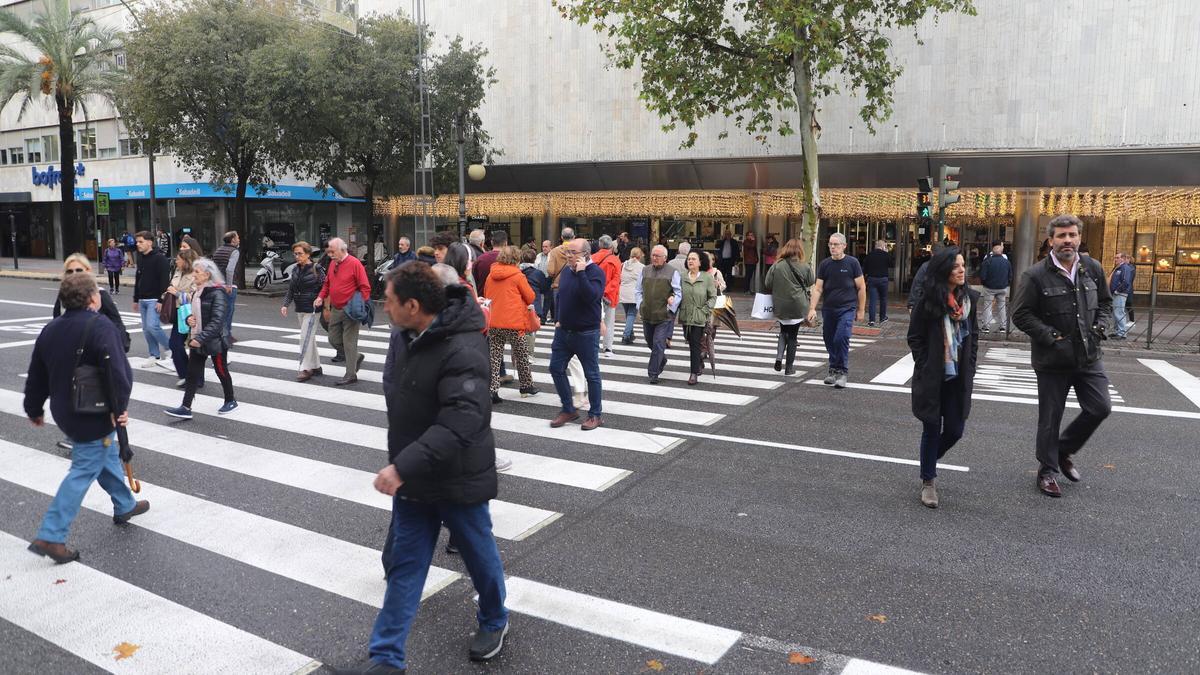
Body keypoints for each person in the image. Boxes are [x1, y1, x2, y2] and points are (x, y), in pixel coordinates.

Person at [339, 263, 508, 675]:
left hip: (457, 476)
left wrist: (402, 466)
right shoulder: (406, 334)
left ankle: (494, 618)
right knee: (406, 568)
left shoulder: (464, 347)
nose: (384, 307)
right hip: (414, 475)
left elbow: (462, 420)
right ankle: (386, 658)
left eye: (390, 301)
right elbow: (395, 386)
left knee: (479, 557)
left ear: (413, 305)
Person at [24, 273, 150, 564]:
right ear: (93, 298)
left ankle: (124, 504)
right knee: (84, 468)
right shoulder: (101, 326)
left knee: (101, 456)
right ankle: (52, 535)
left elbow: (37, 374)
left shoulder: (51, 329)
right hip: (93, 411)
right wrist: (119, 409)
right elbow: (119, 374)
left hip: (65, 411)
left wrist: (34, 408)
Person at [1012, 214, 1113, 498]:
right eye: (1061, 236)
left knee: (1100, 407)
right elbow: (1020, 314)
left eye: (1072, 235)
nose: (1067, 240)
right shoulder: (1035, 275)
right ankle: (1047, 472)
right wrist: (1051, 337)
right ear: (1051, 240)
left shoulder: (1092, 268)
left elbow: (1105, 303)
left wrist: (1101, 327)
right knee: (1050, 418)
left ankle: (1063, 449)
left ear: (1079, 238)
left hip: (1089, 355)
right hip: (1052, 360)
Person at [907, 247, 979, 509]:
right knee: (931, 427)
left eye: (963, 266)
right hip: (934, 376)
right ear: (943, 270)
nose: (962, 270)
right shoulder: (928, 301)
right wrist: (926, 364)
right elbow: (914, 337)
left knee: (955, 430)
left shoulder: (969, 300)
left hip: (959, 377)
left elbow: (975, 337)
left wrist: (970, 366)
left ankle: (929, 461)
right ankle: (928, 481)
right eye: (956, 266)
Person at [163, 258, 238, 419]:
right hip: (199, 337)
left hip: (215, 339)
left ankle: (230, 400)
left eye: (197, 272)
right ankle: (185, 407)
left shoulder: (217, 293)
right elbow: (195, 313)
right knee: (192, 373)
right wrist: (190, 318)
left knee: (221, 370)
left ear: (207, 274)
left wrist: (200, 338)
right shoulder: (198, 291)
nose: (194, 275)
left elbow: (217, 321)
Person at [548, 239, 606, 430]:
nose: (569, 256)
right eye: (567, 252)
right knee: (556, 368)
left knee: (592, 374)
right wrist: (558, 318)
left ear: (586, 255)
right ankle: (568, 408)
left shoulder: (595, 272)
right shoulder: (565, 272)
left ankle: (595, 414)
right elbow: (561, 296)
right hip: (564, 330)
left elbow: (592, 297)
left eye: (573, 252)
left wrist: (581, 273)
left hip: (586, 332)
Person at [806, 233, 866, 389]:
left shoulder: (852, 263)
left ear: (844, 246)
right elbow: (818, 288)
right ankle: (833, 369)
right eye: (830, 244)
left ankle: (842, 372)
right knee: (829, 339)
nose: (832, 247)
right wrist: (812, 308)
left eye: (836, 244)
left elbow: (861, 287)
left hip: (847, 308)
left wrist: (861, 310)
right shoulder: (825, 264)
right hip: (829, 309)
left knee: (841, 337)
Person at [484, 246, 539, 403]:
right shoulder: (517, 276)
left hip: (494, 321)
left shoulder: (491, 275)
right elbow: (530, 297)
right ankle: (526, 385)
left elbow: (487, 294)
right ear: (517, 259)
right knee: (521, 354)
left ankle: (492, 390)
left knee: (494, 356)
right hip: (513, 322)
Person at [314, 237, 371, 386]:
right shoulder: (333, 263)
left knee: (349, 343)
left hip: (351, 309)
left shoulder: (354, 263)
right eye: (329, 252)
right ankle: (356, 357)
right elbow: (327, 284)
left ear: (342, 250)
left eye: (332, 251)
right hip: (336, 308)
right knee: (333, 339)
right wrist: (321, 297)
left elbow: (365, 287)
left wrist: (360, 305)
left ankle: (350, 374)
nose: (330, 254)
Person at [763, 239, 814, 375]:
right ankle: (789, 368)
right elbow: (811, 281)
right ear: (800, 250)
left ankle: (779, 357)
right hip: (798, 305)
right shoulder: (805, 266)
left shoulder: (777, 265)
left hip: (780, 304)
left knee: (783, 331)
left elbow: (767, 283)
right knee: (793, 336)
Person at [636, 245, 682, 384]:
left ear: (665, 258)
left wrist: (672, 304)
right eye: (653, 255)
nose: (654, 258)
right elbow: (638, 290)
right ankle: (662, 359)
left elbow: (678, 292)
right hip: (647, 313)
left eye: (657, 256)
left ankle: (653, 373)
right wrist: (640, 305)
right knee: (650, 342)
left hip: (664, 315)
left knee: (658, 343)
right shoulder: (645, 270)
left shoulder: (672, 272)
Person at [282, 241, 327, 381]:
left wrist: (320, 299)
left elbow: (326, 286)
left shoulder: (317, 268)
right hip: (300, 307)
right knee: (309, 337)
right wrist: (285, 304)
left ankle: (305, 368)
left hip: (313, 309)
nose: (297, 256)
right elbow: (291, 288)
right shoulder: (295, 268)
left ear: (308, 254)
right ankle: (316, 366)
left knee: (304, 337)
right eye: (295, 253)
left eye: (300, 253)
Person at [132, 230, 173, 369]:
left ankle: (170, 349)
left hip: (154, 299)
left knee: (153, 326)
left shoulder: (160, 258)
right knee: (146, 329)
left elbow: (164, 280)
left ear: (149, 242)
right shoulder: (141, 258)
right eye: (137, 242)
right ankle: (154, 355)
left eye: (141, 241)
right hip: (143, 299)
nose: (138, 244)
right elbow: (138, 278)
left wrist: (161, 300)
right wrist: (135, 298)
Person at [679, 250, 717, 386]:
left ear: (700, 262)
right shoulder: (682, 276)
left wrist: (705, 310)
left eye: (693, 259)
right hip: (685, 316)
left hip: (699, 317)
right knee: (690, 341)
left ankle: (693, 373)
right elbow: (677, 293)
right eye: (689, 259)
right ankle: (699, 361)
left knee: (694, 344)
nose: (690, 261)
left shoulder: (707, 278)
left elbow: (713, 297)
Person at [165, 249, 201, 388]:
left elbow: (195, 295)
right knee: (174, 344)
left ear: (186, 261)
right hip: (178, 313)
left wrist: (177, 293)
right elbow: (171, 287)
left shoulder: (195, 274)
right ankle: (187, 375)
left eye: (179, 259)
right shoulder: (177, 272)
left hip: (191, 313)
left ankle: (195, 378)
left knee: (195, 347)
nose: (176, 261)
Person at [592, 234, 622, 358]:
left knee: (593, 320)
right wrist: (606, 291)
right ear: (611, 246)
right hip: (610, 296)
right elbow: (616, 280)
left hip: (593, 293)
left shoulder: (592, 258)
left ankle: (593, 345)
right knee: (609, 322)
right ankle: (608, 348)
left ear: (599, 245)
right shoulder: (615, 260)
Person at [211, 231, 241, 342]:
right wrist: (229, 285)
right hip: (229, 285)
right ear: (233, 240)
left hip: (218, 283)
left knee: (220, 310)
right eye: (237, 237)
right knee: (229, 310)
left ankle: (219, 333)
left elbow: (213, 267)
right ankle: (226, 335)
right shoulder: (234, 251)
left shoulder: (218, 250)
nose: (239, 239)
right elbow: (230, 269)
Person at [978, 240, 1013, 333]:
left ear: (992, 249)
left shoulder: (987, 261)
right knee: (1002, 306)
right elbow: (1010, 276)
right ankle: (1003, 326)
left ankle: (986, 326)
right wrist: (1006, 283)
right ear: (1000, 250)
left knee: (988, 306)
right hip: (1002, 287)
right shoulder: (1006, 262)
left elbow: (982, 276)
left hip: (989, 287)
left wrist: (984, 283)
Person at [618, 247, 645, 345]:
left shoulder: (623, 265)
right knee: (631, 314)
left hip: (623, 292)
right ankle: (626, 335)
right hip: (634, 293)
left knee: (628, 315)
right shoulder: (642, 267)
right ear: (639, 256)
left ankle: (631, 334)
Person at [1108, 251, 1136, 340]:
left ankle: (1121, 333)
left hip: (1120, 294)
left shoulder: (1124, 268)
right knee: (1116, 313)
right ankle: (1117, 331)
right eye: (1115, 257)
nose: (1115, 259)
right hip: (1116, 293)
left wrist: (1117, 290)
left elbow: (1126, 281)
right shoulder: (1119, 267)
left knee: (1119, 313)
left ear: (1123, 258)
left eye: (1117, 258)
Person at [863, 240, 891, 326]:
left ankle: (872, 320)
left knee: (872, 300)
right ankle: (882, 317)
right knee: (883, 299)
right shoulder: (886, 255)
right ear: (883, 247)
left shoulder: (869, 255)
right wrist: (887, 253)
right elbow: (891, 264)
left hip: (872, 279)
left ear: (876, 246)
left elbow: (865, 268)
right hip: (883, 279)